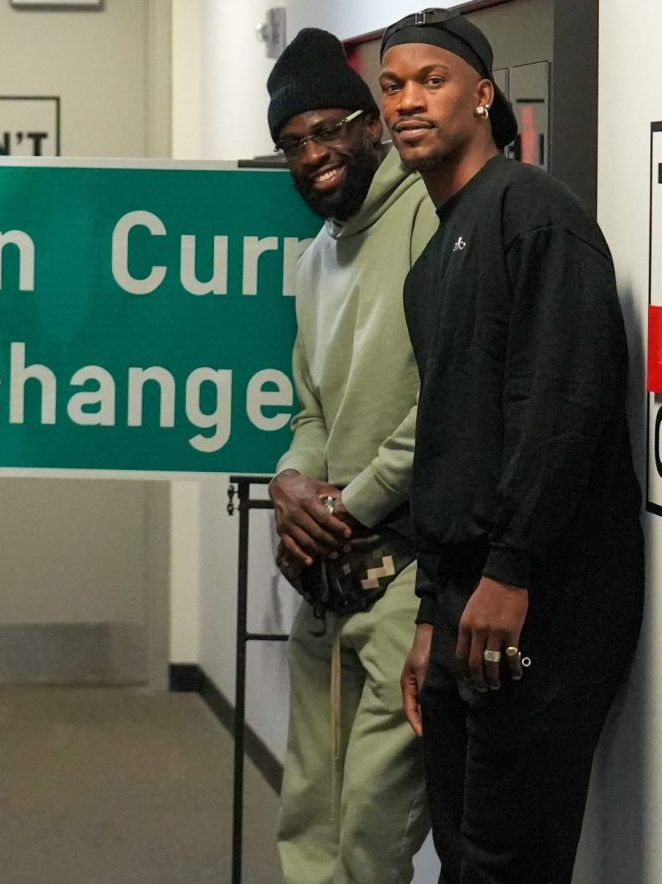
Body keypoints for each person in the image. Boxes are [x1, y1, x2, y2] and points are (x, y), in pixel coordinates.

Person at [381, 10, 643, 882]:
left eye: (432, 81)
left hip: (542, 595)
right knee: (463, 854)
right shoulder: (433, 262)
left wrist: (510, 568)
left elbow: (561, 404)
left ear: (484, 96)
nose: (407, 102)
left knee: (507, 863)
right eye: (392, 86)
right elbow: (449, 448)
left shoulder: (533, 214)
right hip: (467, 596)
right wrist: (430, 612)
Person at [264, 28, 436, 884]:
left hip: (409, 573)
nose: (313, 156)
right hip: (328, 575)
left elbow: (446, 407)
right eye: (293, 143)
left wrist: (345, 504)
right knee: (309, 818)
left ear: (372, 125)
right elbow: (312, 411)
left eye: (328, 130)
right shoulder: (312, 260)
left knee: (372, 828)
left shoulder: (432, 218)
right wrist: (291, 482)